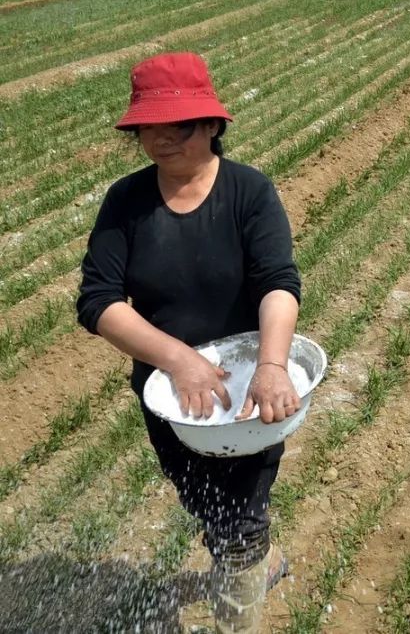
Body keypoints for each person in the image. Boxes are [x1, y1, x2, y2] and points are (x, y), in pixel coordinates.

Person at [77, 52, 302, 632]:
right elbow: (98, 302)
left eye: (176, 125)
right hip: (169, 394)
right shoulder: (126, 203)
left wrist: (273, 366)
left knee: (240, 526)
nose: (160, 139)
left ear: (211, 125)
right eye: (148, 128)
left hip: (249, 393)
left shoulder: (249, 192)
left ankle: (243, 593)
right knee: (204, 504)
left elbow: (277, 284)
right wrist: (179, 360)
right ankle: (259, 558)